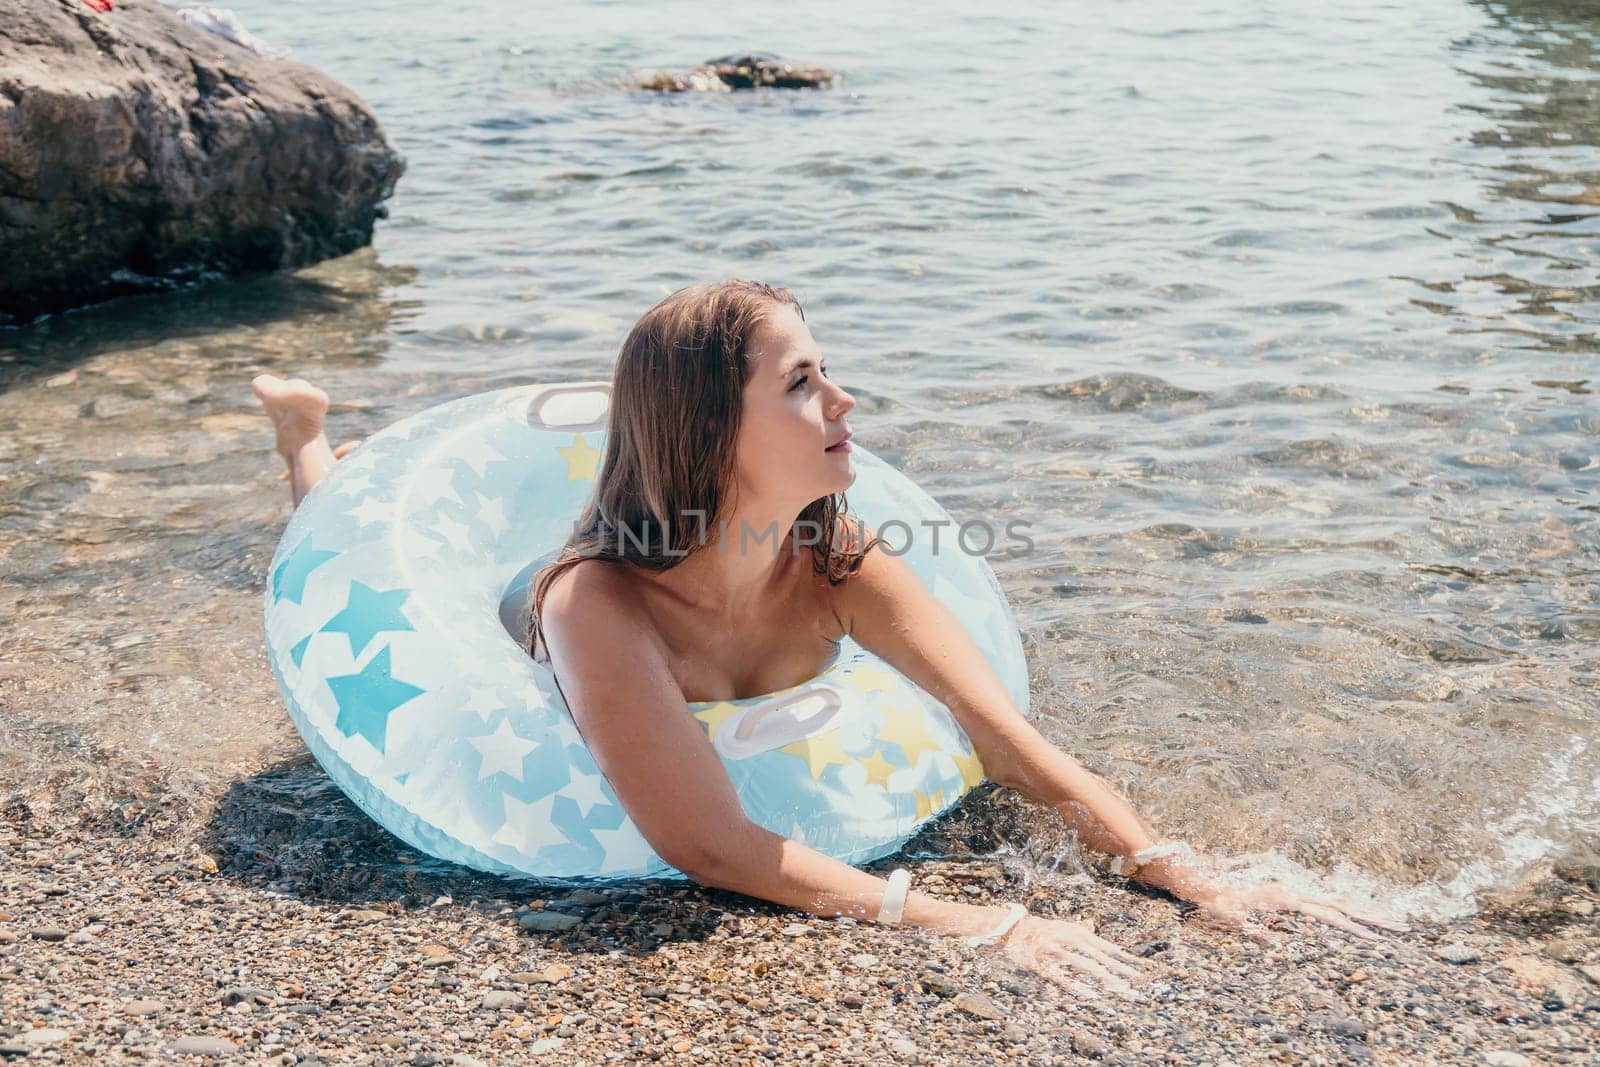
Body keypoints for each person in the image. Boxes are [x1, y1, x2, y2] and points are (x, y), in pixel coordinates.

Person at [254, 279, 1406, 1000]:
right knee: (335, 512)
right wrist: (976, 919)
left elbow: (1006, 741)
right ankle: (308, 444)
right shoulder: (594, 606)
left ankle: (316, 444)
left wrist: (1182, 874)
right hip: (516, 613)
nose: (845, 401)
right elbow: (712, 843)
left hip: (697, 562)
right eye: (804, 382)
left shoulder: (839, 557)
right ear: (714, 428)